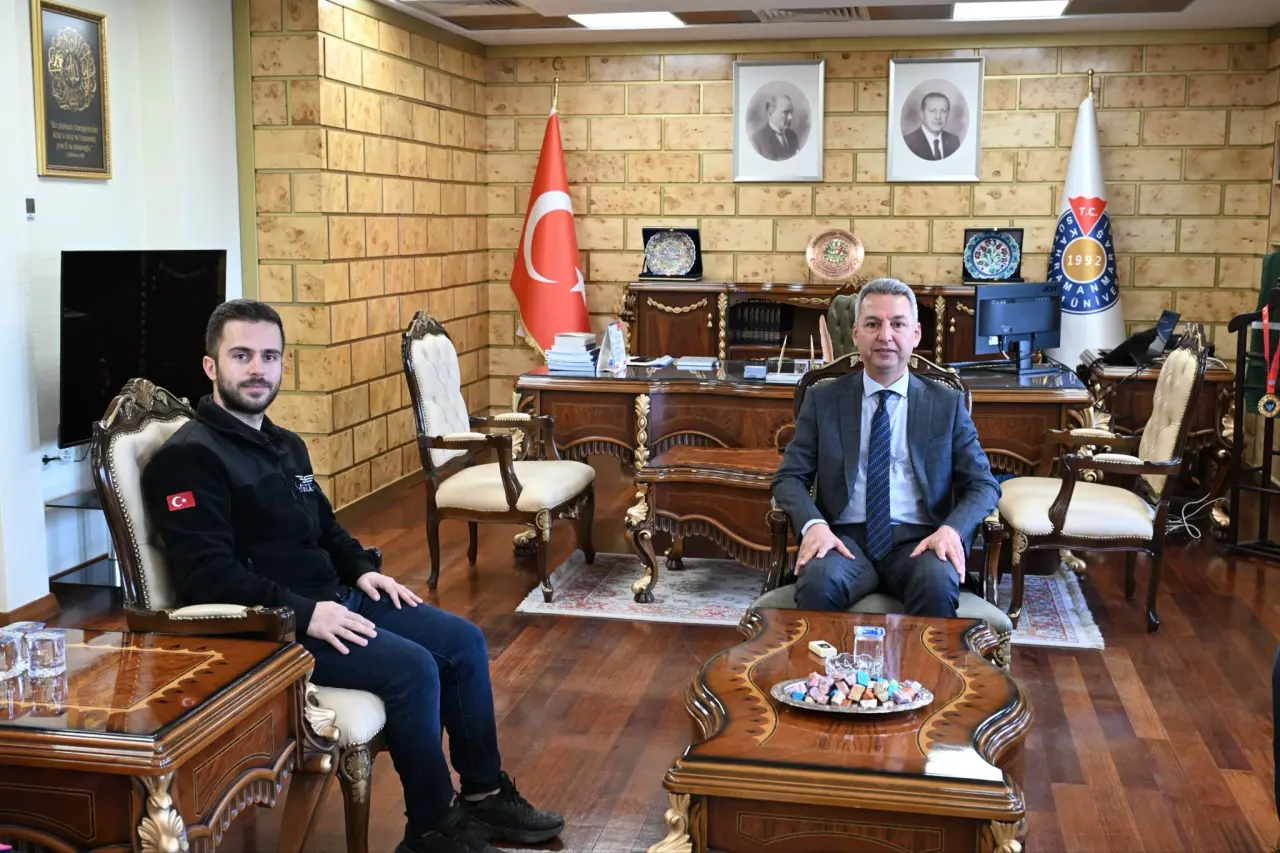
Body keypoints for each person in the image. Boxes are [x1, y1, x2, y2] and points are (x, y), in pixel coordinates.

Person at [141, 300, 562, 853]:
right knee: (414, 669)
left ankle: (484, 795)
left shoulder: (285, 444)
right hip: (276, 629)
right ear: (210, 366)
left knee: (464, 642)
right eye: (241, 356)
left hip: (336, 600)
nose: (258, 369)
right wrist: (306, 613)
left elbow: (325, 527)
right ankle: (432, 826)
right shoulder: (189, 459)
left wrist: (362, 569)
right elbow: (207, 576)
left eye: (270, 356)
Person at [771, 278, 1000, 616]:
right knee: (819, 581)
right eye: (873, 324)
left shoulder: (946, 404)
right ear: (855, 334)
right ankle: (824, 656)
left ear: (916, 334)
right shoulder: (823, 400)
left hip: (920, 540)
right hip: (843, 539)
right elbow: (789, 478)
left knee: (936, 583)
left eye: (897, 324)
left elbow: (983, 484)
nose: (885, 335)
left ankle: (923, 656)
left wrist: (952, 530)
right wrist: (813, 525)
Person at [904, 92, 961, 161]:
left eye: (943, 111)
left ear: (948, 113)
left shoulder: (954, 141)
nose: (938, 117)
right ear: (922, 113)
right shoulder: (909, 142)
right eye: (932, 111)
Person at [750, 93, 800, 161]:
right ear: (770, 112)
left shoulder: (793, 136)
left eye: (791, 112)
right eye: (785, 112)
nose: (790, 117)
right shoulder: (756, 140)